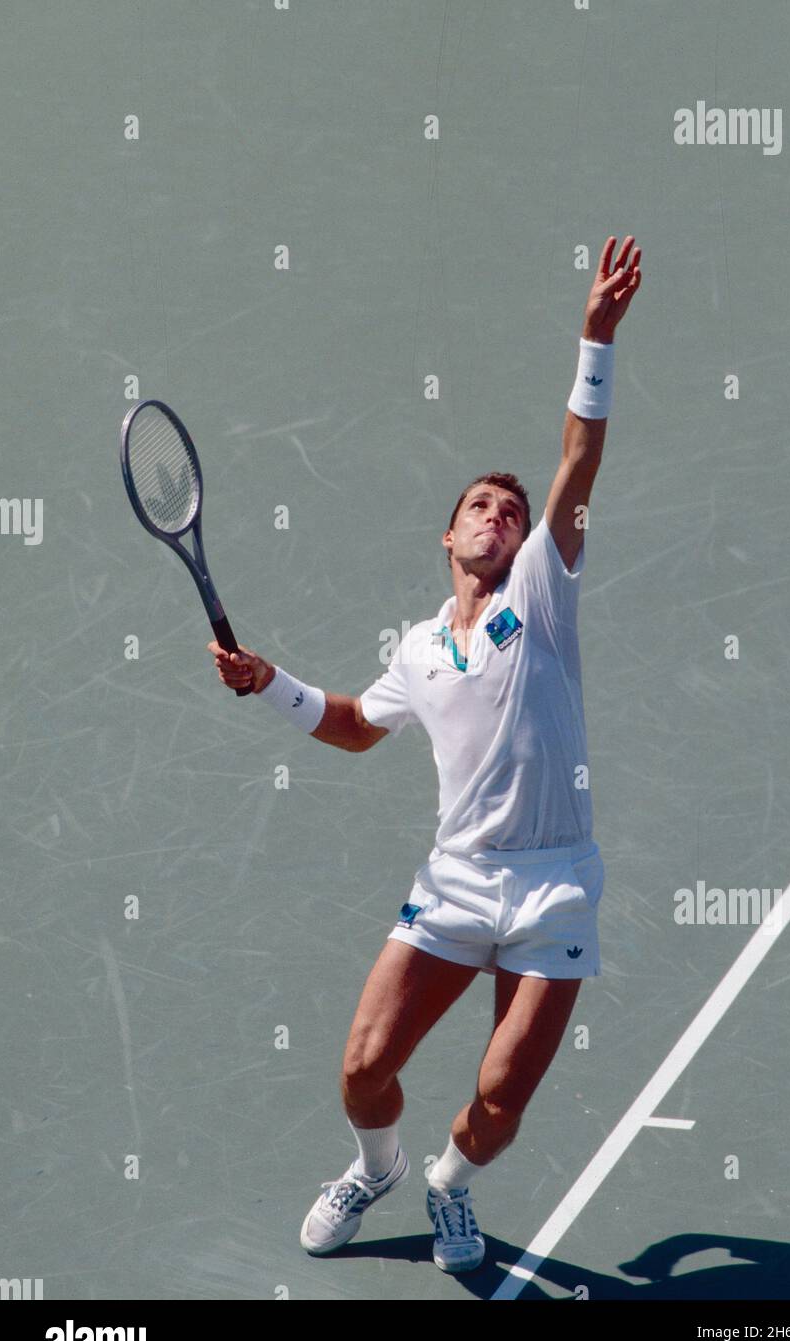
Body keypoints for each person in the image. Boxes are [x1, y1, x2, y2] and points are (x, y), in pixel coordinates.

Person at [208, 235, 642, 1275]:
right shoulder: (416, 648)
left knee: (498, 1099)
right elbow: (356, 724)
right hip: (453, 882)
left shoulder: (542, 590)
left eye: (511, 510)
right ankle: (378, 1168)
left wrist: (595, 337)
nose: (499, 515)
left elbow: (577, 461)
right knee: (363, 1067)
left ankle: (451, 1183)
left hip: (552, 887)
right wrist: (270, 686)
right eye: (479, 508)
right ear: (447, 539)